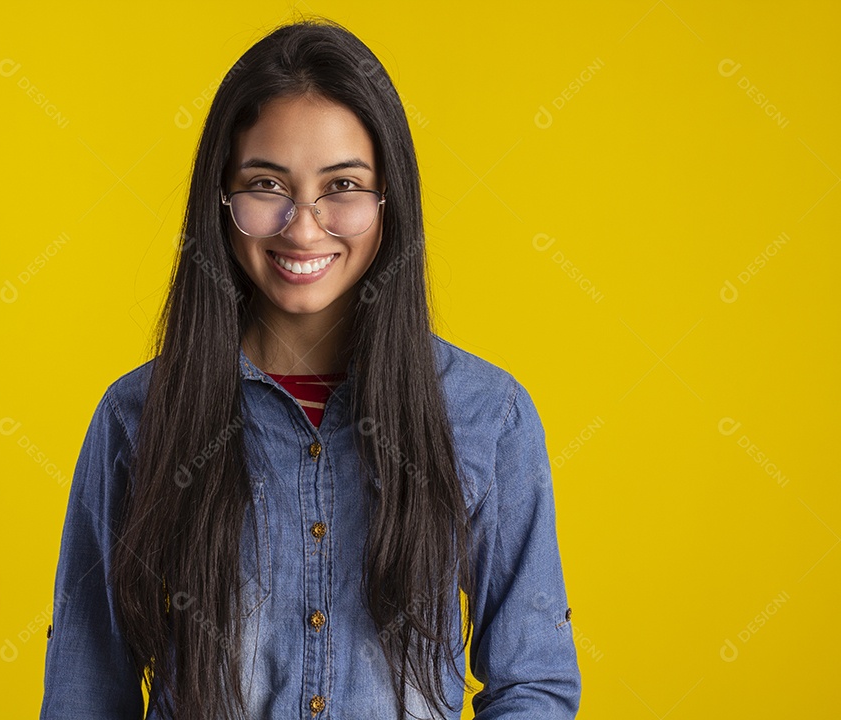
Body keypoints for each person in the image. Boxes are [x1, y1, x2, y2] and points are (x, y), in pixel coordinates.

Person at [40, 17, 581, 720]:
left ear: (390, 200)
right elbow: (85, 691)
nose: (301, 226)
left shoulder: (487, 415)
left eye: (343, 185)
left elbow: (532, 682)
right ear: (221, 198)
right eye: (266, 184)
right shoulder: (135, 419)